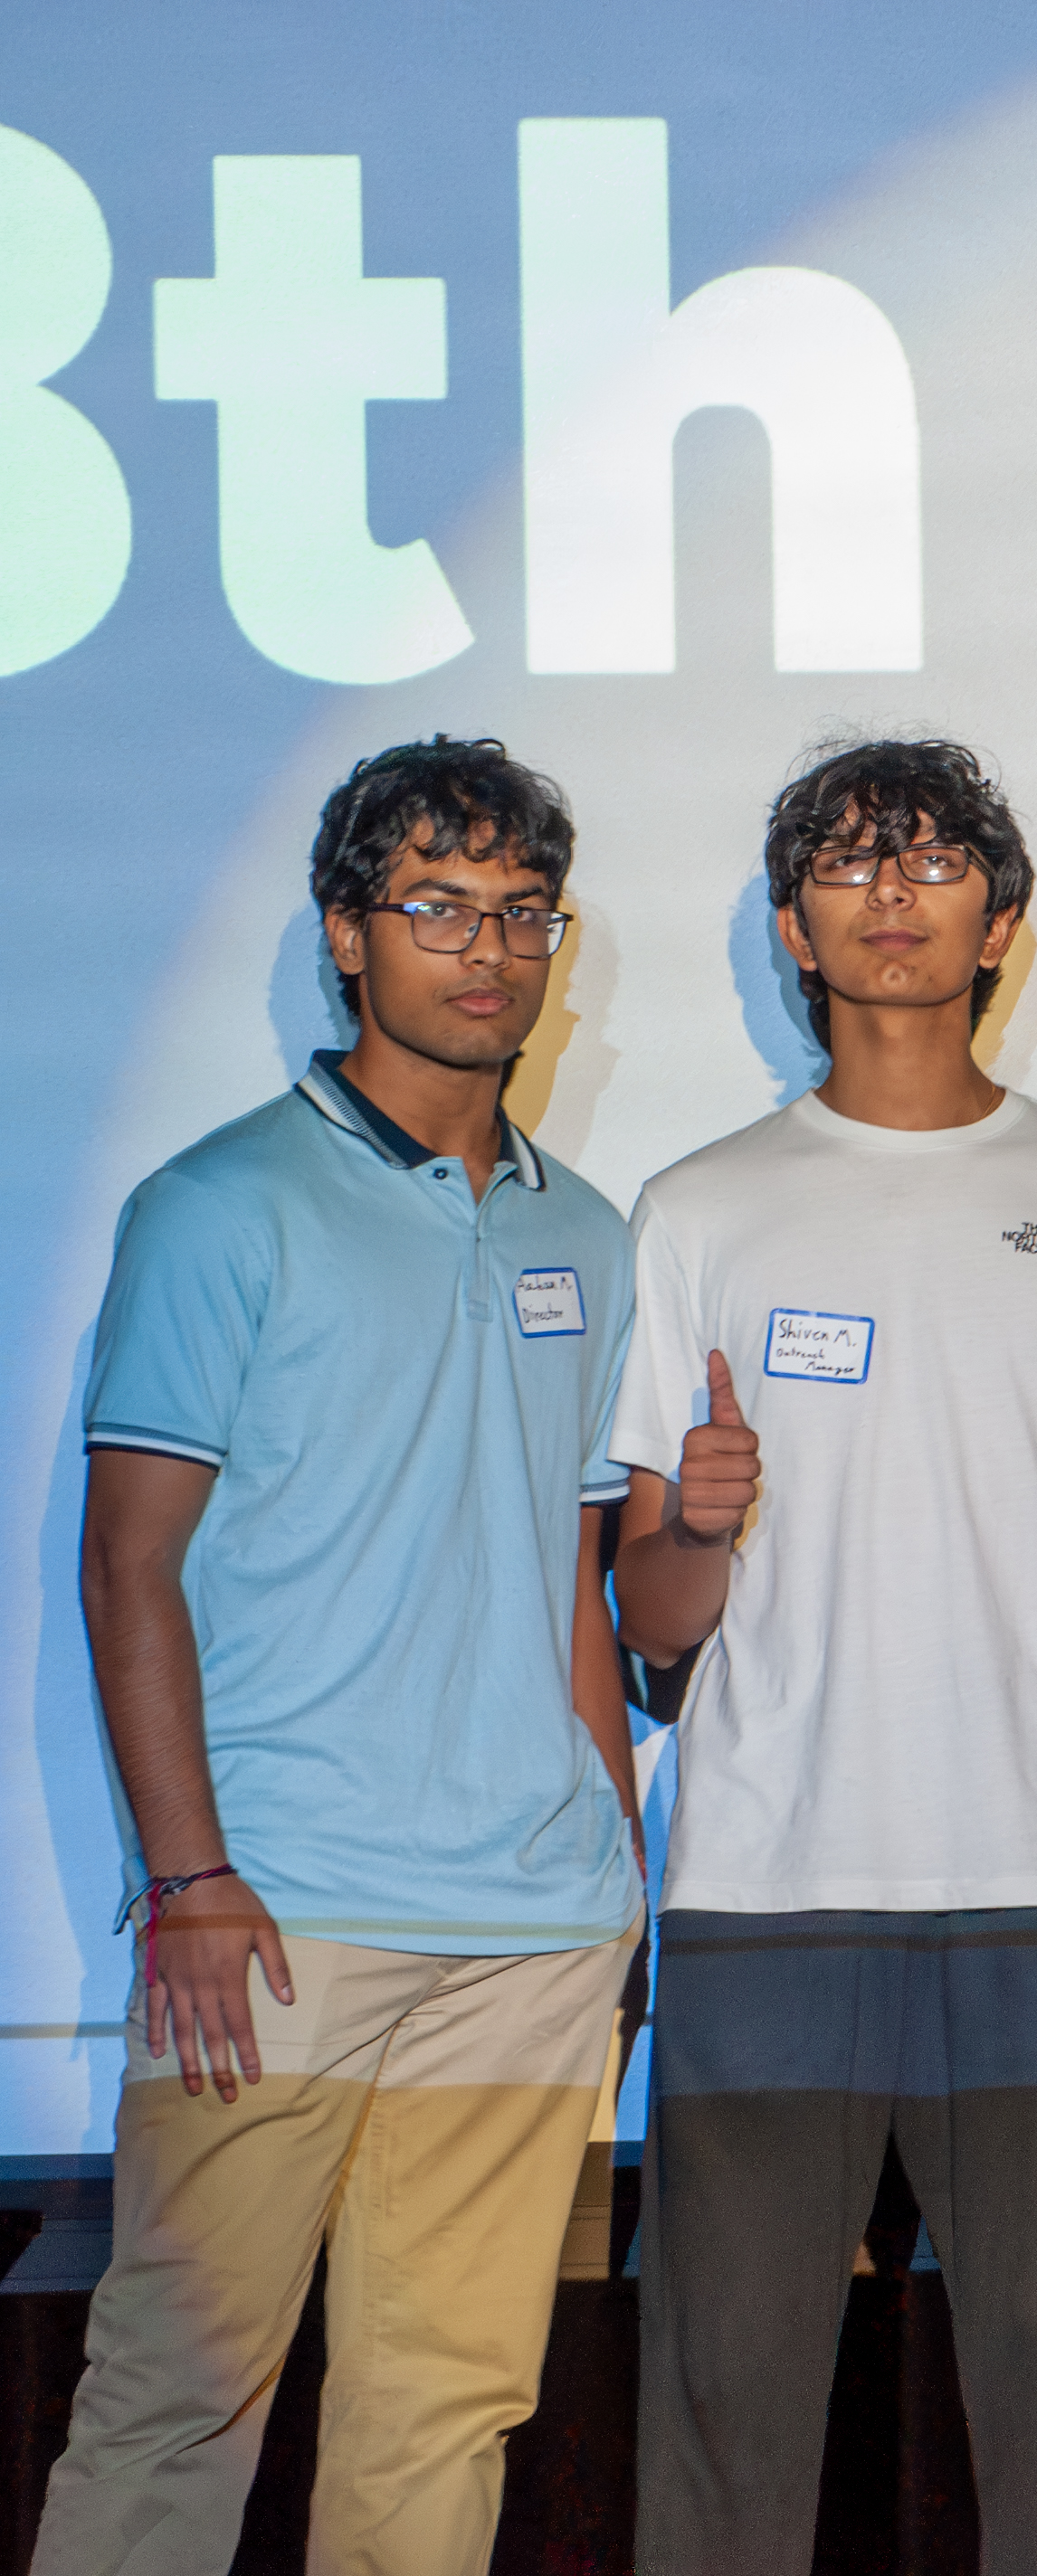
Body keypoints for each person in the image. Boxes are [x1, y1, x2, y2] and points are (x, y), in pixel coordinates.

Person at [612, 739, 1037, 2576]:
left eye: (937, 860)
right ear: (794, 923)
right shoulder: (700, 1205)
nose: (895, 892)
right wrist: (697, 1523)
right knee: (725, 2409)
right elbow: (649, 1616)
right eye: (853, 865)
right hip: (765, 1889)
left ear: (1002, 919)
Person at [34, 738, 644, 2576]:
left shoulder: (587, 1233)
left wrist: (621, 1878)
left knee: (444, 2416)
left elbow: (572, 1582)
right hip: (276, 1917)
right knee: (173, 2404)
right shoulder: (217, 1203)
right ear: (345, 936)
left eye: (523, 912)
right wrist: (191, 1874)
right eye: (439, 905)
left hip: (534, 1929)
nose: (488, 949)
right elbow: (127, 1565)